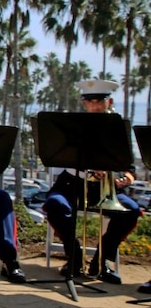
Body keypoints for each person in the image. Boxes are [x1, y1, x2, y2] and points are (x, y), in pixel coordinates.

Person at [42, 79, 141, 284]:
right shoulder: (73, 128)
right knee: (55, 205)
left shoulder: (117, 128)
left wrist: (125, 179)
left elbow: (129, 168)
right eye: (91, 101)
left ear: (109, 101)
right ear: (84, 103)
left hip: (105, 187)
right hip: (72, 184)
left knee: (130, 211)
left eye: (100, 101)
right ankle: (74, 257)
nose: (95, 105)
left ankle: (101, 261)